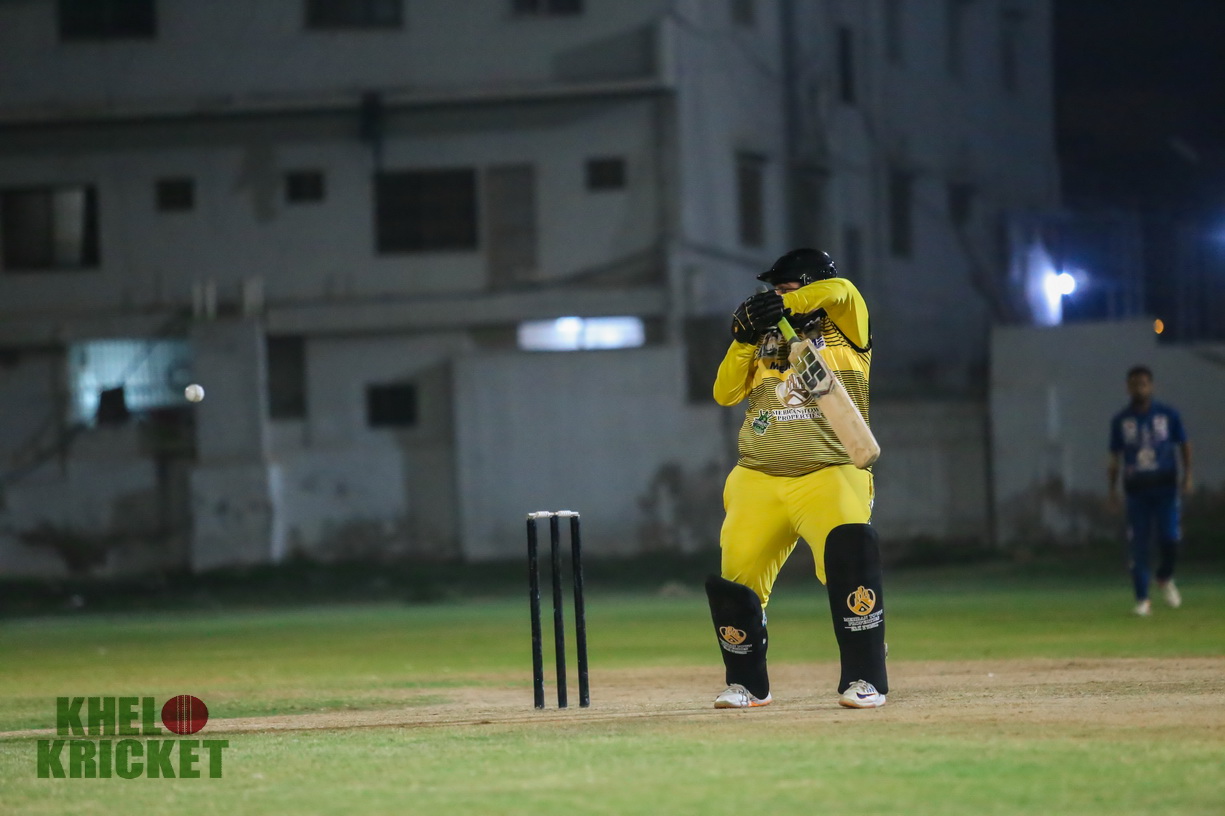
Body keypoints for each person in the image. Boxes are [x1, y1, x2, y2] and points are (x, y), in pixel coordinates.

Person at [705, 248, 887, 710]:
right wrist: (743, 339)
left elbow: (840, 290)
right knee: (737, 583)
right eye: (774, 291)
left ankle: (865, 677)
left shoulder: (846, 323)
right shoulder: (766, 336)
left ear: (809, 285)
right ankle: (747, 685)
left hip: (830, 472)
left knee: (850, 567)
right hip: (758, 476)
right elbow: (724, 393)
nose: (776, 297)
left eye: (786, 288)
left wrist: (787, 304)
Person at [1108, 365, 1193, 617]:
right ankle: (1143, 600)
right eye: (1134, 384)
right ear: (1128, 387)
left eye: (1143, 384)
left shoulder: (1167, 414)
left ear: (1151, 386)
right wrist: (1112, 489)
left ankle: (1165, 576)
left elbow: (1184, 444)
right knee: (1139, 546)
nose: (1139, 388)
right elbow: (1114, 456)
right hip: (1137, 491)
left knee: (1170, 539)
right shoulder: (1120, 421)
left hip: (1165, 487)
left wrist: (1187, 475)